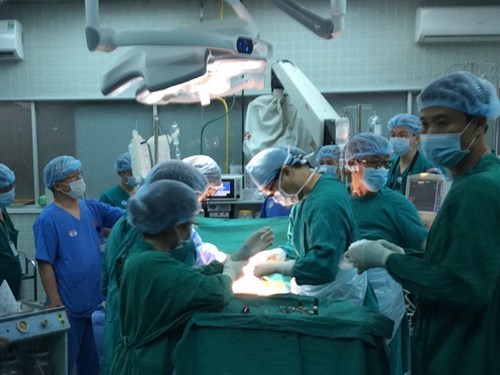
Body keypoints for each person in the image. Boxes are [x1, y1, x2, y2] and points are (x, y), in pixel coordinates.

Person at [345, 71, 500, 374]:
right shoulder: (474, 180)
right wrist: (405, 255)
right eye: (426, 124)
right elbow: (456, 259)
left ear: (479, 124)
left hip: (465, 348)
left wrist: (387, 259)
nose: (430, 133)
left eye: (444, 122)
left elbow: (462, 284)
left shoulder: (478, 189)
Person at [109, 180, 273, 374]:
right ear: (175, 226)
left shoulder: (146, 257)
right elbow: (215, 292)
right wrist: (229, 273)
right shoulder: (151, 264)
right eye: (187, 225)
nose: (189, 232)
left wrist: (240, 255)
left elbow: (188, 278)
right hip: (146, 364)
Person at [344, 132, 428, 375]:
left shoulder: (396, 204)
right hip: (343, 293)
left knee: (384, 362)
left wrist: (389, 255)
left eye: (384, 163)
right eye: (373, 163)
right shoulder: (336, 201)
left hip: (384, 295)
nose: (381, 169)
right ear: (351, 164)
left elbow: (423, 252)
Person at [34, 155, 125, 375]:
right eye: (73, 176)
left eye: (79, 175)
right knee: (65, 363)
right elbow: (45, 263)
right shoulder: (48, 219)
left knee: (92, 363)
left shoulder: (92, 208)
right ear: (58, 185)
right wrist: (55, 302)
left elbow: (129, 217)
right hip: (67, 304)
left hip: (93, 302)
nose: (79, 180)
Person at [246, 146, 366, 304]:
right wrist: (281, 252)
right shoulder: (304, 197)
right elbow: (304, 243)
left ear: (286, 172)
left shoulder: (326, 201)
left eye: (272, 191)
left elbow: (324, 264)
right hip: (320, 294)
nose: (274, 197)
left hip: (337, 297)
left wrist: (279, 268)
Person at [385, 113, 441, 194]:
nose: (396, 139)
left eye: (403, 136)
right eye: (393, 135)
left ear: (417, 138)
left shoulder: (428, 167)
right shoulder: (388, 164)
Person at [0, 163, 22, 300]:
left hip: (10, 288)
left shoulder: (2, 210)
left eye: (12, 186)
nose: (11, 191)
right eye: (6, 188)